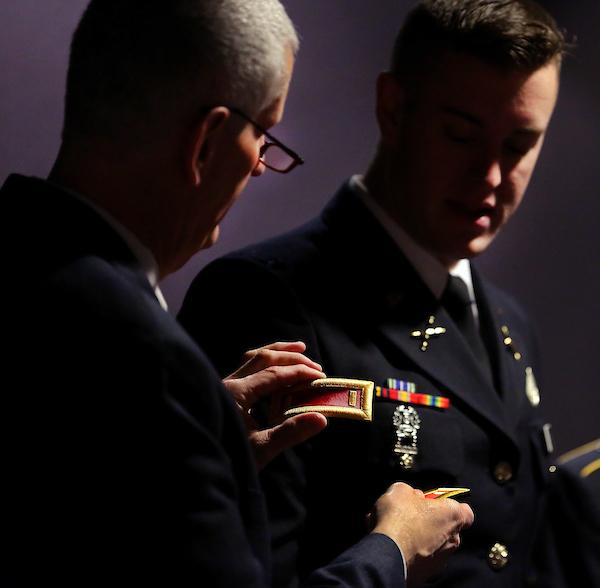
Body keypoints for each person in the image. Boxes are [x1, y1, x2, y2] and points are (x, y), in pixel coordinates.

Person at [1, 1, 474, 586]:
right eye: (265, 133)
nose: (258, 167)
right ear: (206, 142)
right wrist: (394, 550)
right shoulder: (151, 362)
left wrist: (204, 442)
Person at [178, 0, 566, 586]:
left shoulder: (511, 325)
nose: (489, 175)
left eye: (518, 146)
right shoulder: (263, 298)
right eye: (461, 136)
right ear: (393, 108)